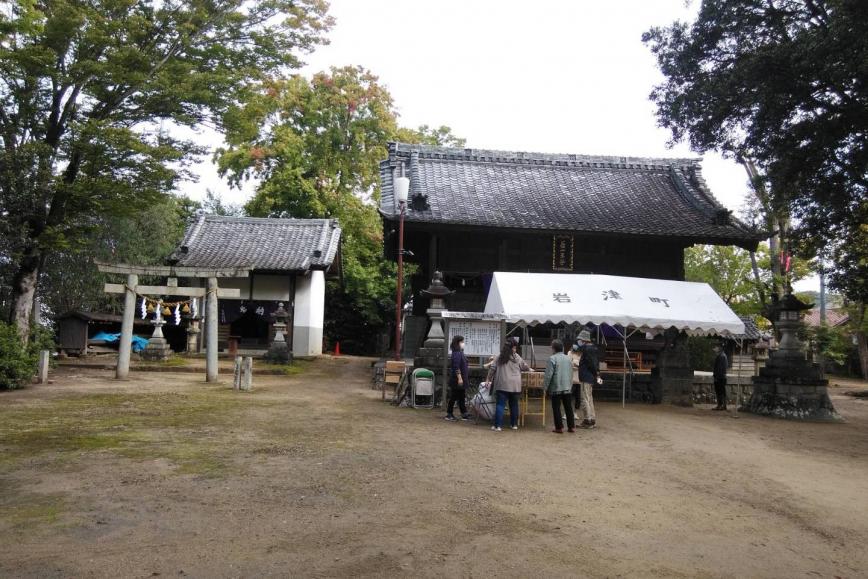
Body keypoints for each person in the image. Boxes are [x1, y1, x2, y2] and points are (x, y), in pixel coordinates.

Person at [490, 338, 531, 432]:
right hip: (515, 385)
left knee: (500, 405)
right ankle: (514, 425)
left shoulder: (500, 356)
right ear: (513, 348)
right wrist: (529, 368)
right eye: (515, 347)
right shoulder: (517, 357)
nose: (516, 349)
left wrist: (488, 379)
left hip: (503, 384)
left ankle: (498, 426)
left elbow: (492, 368)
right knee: (514, 405)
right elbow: (525, 367)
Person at [543, 339, 575, 433]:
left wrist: (545, 387)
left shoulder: (552, 358)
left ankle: (559, 427)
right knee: (568, 407)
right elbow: (571, 373)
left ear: (553, 348)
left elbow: (548, 375)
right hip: (567, 386)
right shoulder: (568, 358)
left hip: (556, 387)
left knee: (556, 407)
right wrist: (570, 384)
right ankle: (571, 426)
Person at [445, 335, 472, 421]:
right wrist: (460, 378)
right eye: (462, 342)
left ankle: (464, 413)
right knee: (454, 396)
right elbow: (456, 367)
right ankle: (449, 413)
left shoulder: (459, 352)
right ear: (458, 343)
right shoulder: (456, 353)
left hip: (461, 378)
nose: (463, 344)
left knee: (461, 396)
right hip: (457, 379)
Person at [576, 329, 599, 429]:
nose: (579, 341)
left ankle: (587, 420)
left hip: (586, 376)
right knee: (589, 398)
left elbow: (590, 364)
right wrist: (596, 374)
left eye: (580, 339)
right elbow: (594, 364)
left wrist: (594, 373)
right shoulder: (593, 348)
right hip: (590, 377)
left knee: (584, 398)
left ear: (584, 340)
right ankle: (592, 419)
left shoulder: (586, 349)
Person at [569, 343, 583, 421]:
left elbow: (580, 365)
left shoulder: (581, 355)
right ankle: (567, 413)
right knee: (568, 397)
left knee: (578, 398)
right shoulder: (569, 353)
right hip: (571, 379)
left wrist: (576, 364)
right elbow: (569, 363)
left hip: (578, 380)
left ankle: (575, 413)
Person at [713, 344, 729, 411]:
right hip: (722, 376)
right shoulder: (722, 355)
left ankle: (721, 405)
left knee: (720, 391)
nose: (714, 349)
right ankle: (722, 405)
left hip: (720, 377)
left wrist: (716, 376)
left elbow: (719, 368)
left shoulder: (721, 356)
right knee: (721, 391)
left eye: (715, 347)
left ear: (719, 348)